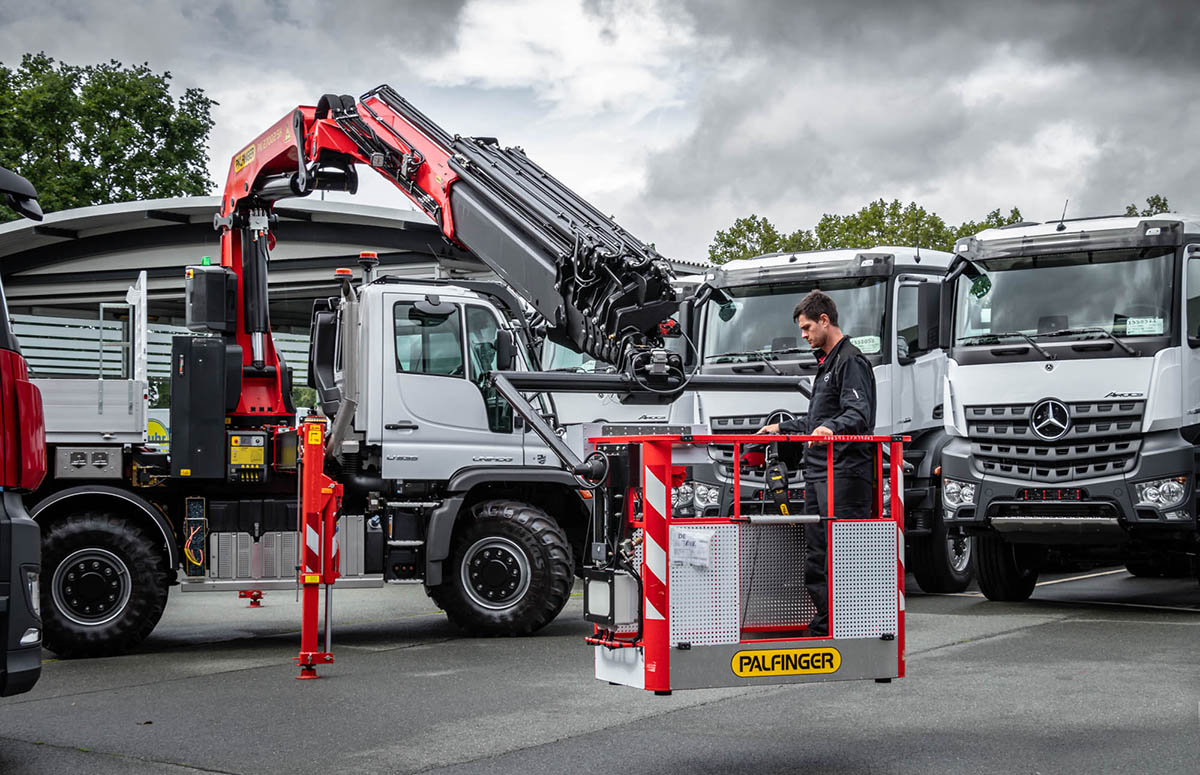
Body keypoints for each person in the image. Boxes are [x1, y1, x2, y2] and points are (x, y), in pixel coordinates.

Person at [757, 289, 876, 637]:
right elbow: (818, 419)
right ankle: (827, 623)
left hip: (844, 471)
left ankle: (850, 626)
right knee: (818, 553)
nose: (805, 335)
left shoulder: (850, 361)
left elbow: (858, 413)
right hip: (819, 471)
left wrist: (831, 427)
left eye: (808, 328)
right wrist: (781, 428)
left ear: (825, 321)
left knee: (843, 554)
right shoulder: (826, 364)